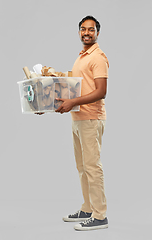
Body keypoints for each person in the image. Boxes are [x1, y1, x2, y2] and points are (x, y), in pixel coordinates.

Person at [55, 15, 109, 231]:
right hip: (78, 118)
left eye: (91, 29)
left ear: (97, 33)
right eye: (83, 29)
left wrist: (73, 102)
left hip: (90, 118)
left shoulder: (98, 57)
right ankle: (87, 208)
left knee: (92, 167)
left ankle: (100, 215)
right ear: (79, 32)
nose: (86, 33)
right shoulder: (81, 57)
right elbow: (74, 86)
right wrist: (48, 104)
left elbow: (101, 91)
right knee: (82, 167)